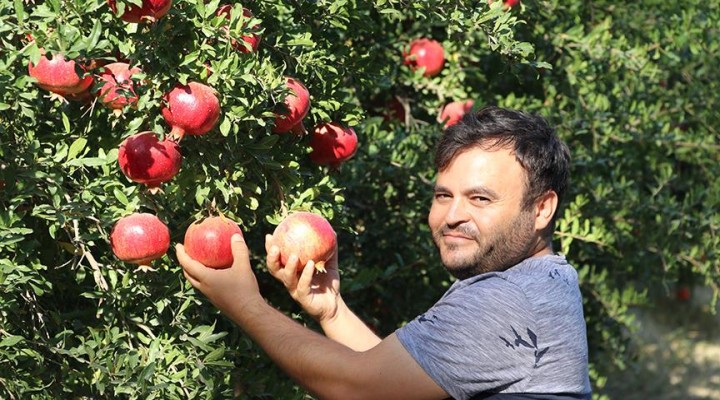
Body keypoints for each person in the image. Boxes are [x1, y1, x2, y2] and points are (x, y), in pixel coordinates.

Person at [177, 106, 592, 399]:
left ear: (541, 209)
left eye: (480, 199)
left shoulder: (506, 299)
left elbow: (358, 388)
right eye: (443, 195)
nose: (452, 215)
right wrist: (332, 311)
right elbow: (394, 380)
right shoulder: (545, 280)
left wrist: (245, 304)